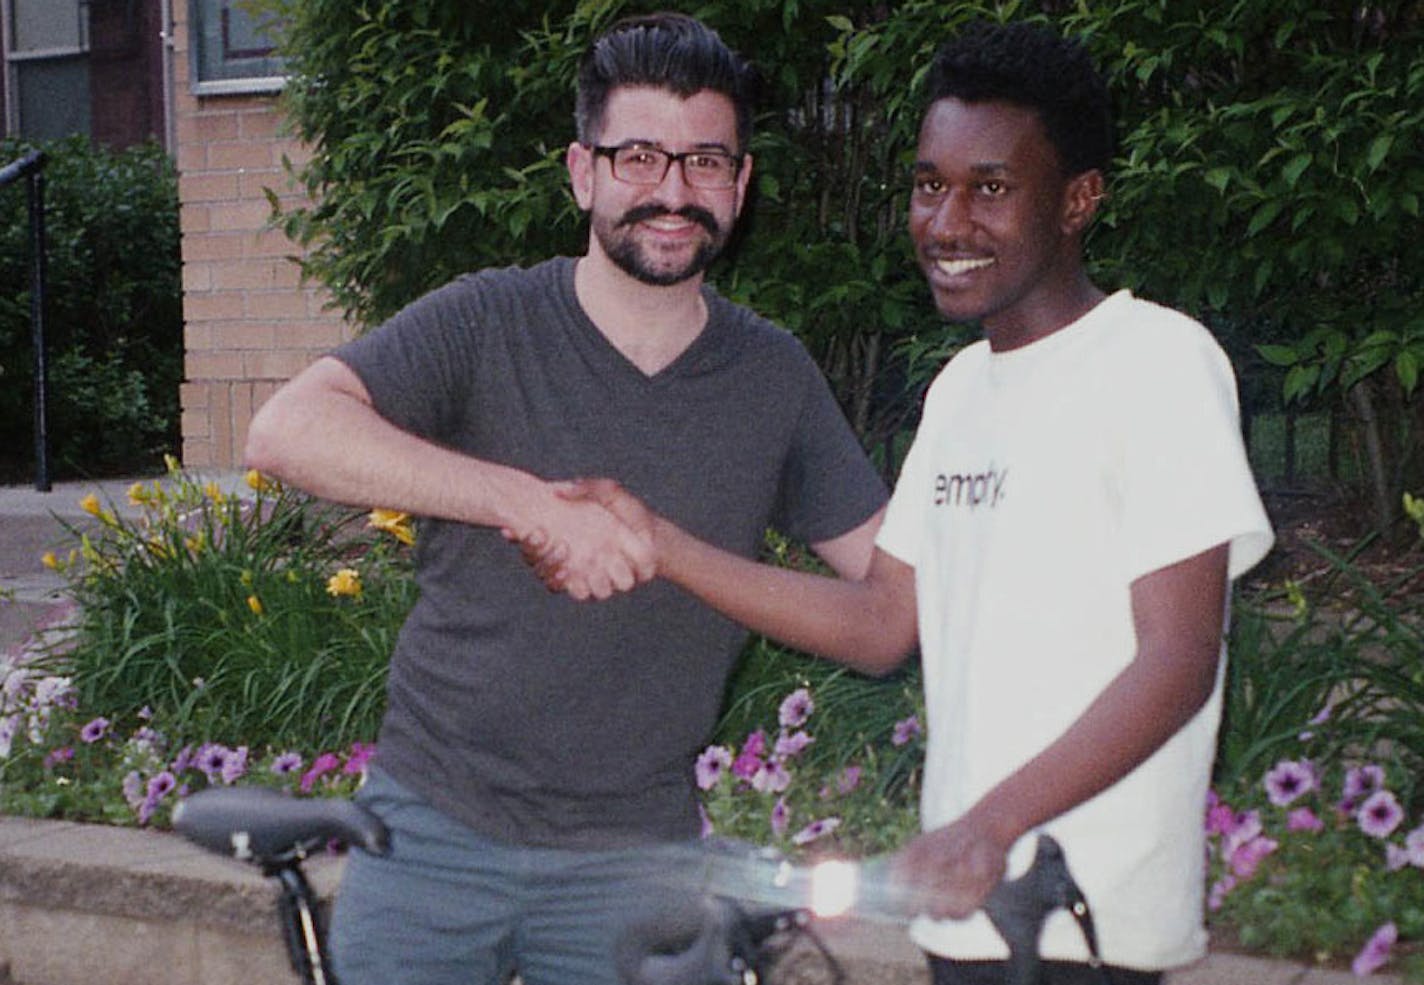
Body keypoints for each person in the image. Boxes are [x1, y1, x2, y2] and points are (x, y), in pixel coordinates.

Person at [534, 20, 1275, 985]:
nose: (947, 221)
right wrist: (662, 542)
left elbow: (1178, 658)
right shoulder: (962, 392)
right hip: (961, 916)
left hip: (1081, 918)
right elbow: (885, 621)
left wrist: (989, 826)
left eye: (991, 188)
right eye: (930, 184)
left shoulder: (1158, 363)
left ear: (1078, 201)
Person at [241, 12, 887, 985]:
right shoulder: (485, 318)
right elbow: (286, 429)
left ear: (741, 184)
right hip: (429, 834)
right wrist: (526, 502)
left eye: (706, 161)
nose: (672, 191)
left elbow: (887, 595)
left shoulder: (774, 378)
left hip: (635, 857)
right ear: (582, 172)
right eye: (638, 156)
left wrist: (672, 549)